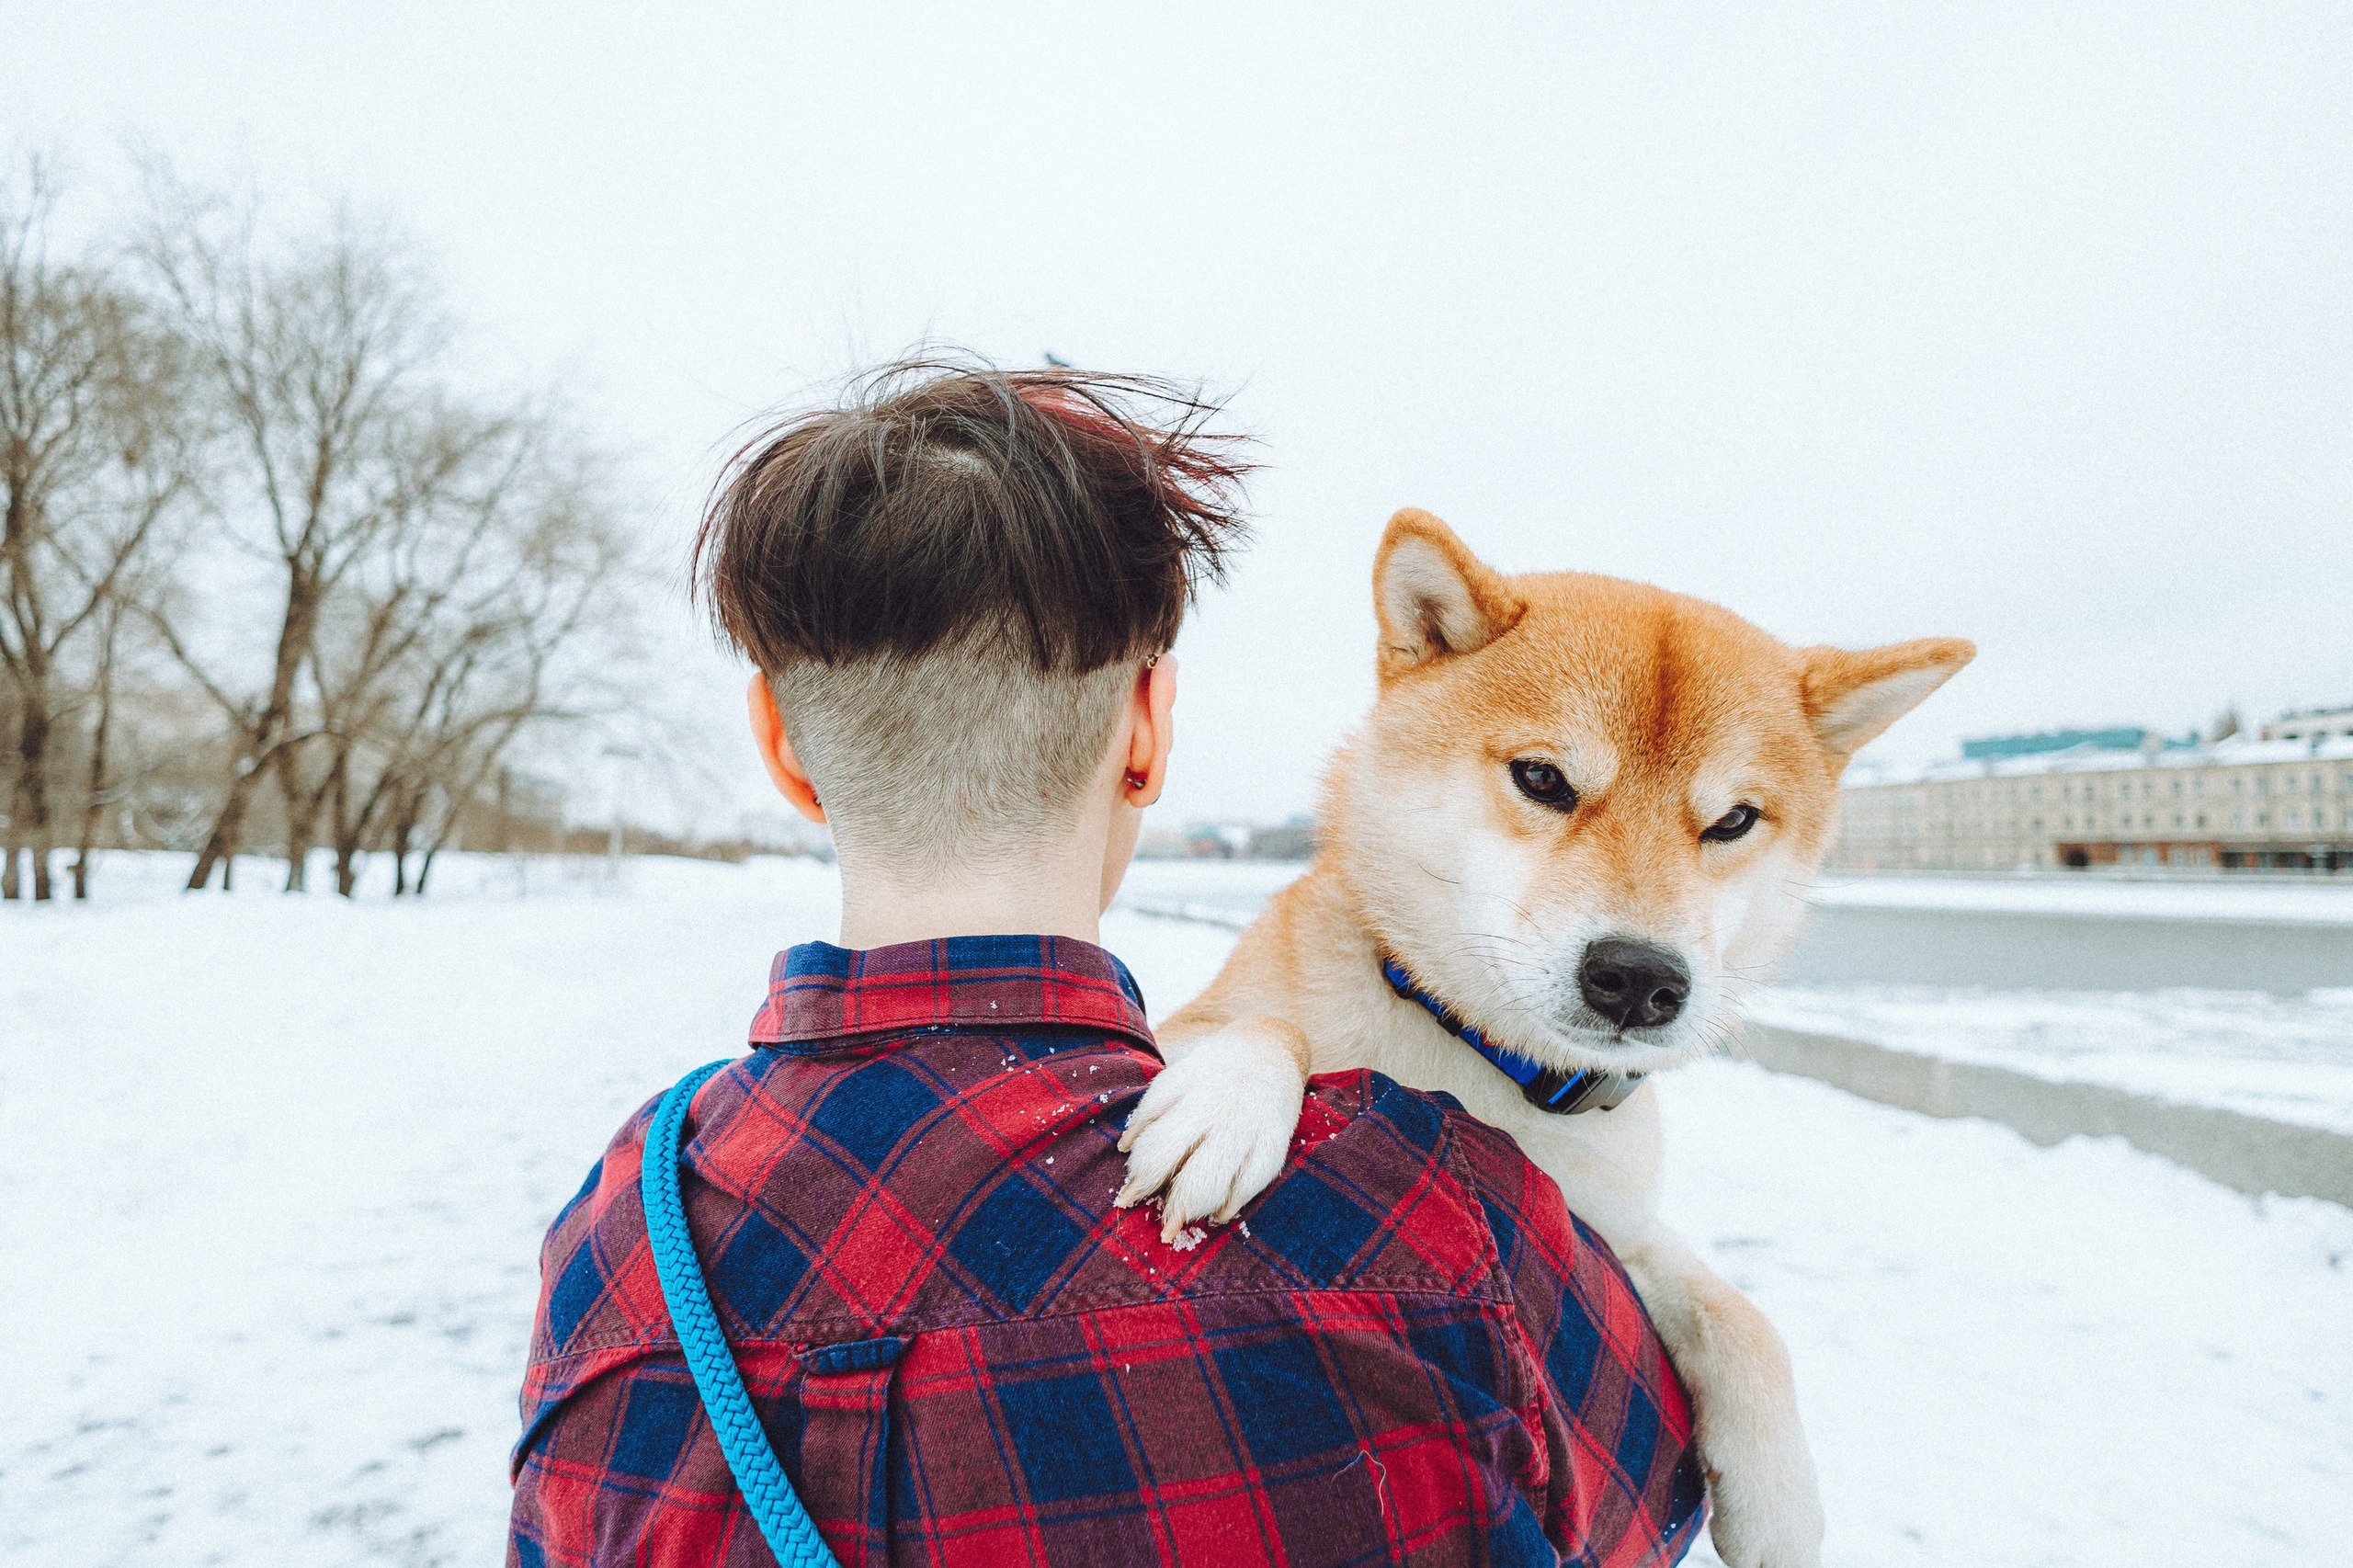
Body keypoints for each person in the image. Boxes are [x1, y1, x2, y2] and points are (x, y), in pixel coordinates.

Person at [507, 361, 1706, 1567]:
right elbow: (1667, 1487)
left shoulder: (617, 1246)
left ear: (783, 747)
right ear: (1147, 730)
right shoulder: (1449, 1224)